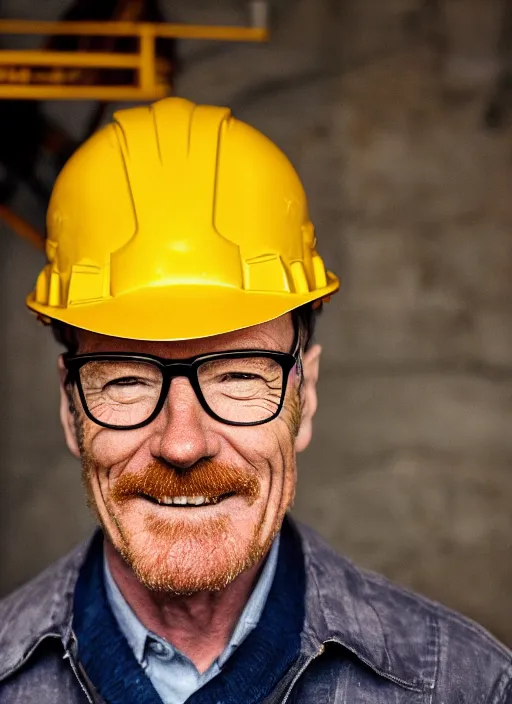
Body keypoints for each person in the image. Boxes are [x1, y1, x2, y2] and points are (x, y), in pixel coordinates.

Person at [0, 97, 510, 704]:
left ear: (306, 394)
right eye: (127, 380)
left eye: (238, 378)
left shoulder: (466, 687)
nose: (183, 443)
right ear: (70, 407)